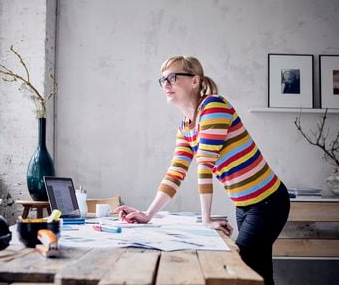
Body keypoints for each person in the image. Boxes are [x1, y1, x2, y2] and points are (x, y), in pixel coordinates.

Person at [115, 56, 290, 285]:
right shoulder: (185, 127)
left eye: (173, 77)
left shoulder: (214, 106)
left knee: (244, 270)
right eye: (163, 80)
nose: (166, 84)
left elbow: (204, 163)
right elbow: (176, 173)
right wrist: (148, 215)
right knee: (259, 274)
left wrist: (206, 219)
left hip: (269, 202)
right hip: (244, 205)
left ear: (195, 81)